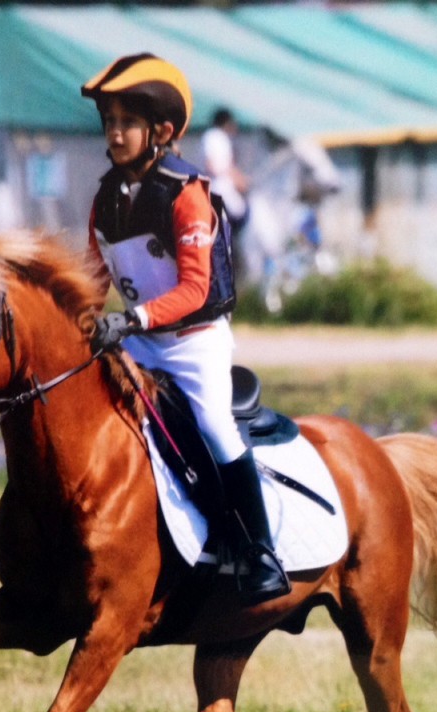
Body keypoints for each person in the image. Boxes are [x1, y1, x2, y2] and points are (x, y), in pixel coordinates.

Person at [81, 52, 290, 604]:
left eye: (126, 122)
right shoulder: (105, 199)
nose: (115, 133)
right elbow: (91, 280)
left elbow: (195, 289)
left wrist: (130, 320)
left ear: (163, 131)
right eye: (109, 122)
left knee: (216, 427)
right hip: (141, 344)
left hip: (195, 345)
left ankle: (258, 551)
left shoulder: (187, 194)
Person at [201, 107, 250, 236]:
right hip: (219, 190)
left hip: (223, 189)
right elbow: (213, 166)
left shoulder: (220, 138)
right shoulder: (214, 136)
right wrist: (236, 178)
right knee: (240, 216)